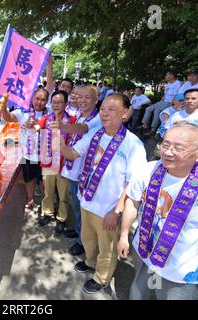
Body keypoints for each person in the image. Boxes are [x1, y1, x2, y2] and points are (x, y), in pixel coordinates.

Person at [118, 123, 198, 300]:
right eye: (165, 144)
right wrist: (123, 235)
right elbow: (132, 203)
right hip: (145, 250)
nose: (167, 152)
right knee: (140, 292)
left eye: (178, 148)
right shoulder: (147, 170)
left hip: (180, 270)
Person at [60, 93, 147, 293]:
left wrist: (116, 212)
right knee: (88, 239)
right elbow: (72, 153)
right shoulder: (95, 134)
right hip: (87, 199)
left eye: (112, 109)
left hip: (108, 208)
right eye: (103, 109)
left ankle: (102, 277)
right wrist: (56, 139)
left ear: (125, 114)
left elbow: (133, 185)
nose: (105, 113)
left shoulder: (133, 145)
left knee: (107, 246)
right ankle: (91, 262)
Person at [31, 90, 82, 236]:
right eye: (54, 102)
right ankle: (47, 212)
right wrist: (31, 126)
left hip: (65, 165)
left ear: (66, 104)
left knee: (63, 195)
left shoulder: (72, 121)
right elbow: (36, 128)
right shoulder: (46, 118)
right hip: (48, 163)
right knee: (48, 192)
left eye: (60, 102)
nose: (57, 105)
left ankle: (62, 218)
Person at [60, 85, 102, 256]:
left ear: (96, 100)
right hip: (73, 166)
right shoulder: (78, 114)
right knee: (76, 205)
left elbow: (82, 129)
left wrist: (61, 128)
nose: (82, 100)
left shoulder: (97, 118)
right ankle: (79, 233)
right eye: (80, 97)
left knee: (82, 207)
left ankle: (83, 242)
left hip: (85, 171)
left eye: (87, 98)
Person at [1, 87, 49, 212]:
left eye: (43, 100)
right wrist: (3, 108)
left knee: (44, 180)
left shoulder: (50, 113)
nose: (39, 102)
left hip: (45, 155)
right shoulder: (23, 112)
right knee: (29, 178)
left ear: (47, 101)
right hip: (28, 155)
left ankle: (46, 203)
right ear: (32, 98)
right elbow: (9, 117)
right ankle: (30, 199)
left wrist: (38, 124)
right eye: (37, 98)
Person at [141, 71, 182, 135]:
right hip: (163, 101)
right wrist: (161, 100)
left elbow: (176, 95)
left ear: (172, 76)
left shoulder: (178, 83)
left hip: (169, 102)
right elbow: (165, 94)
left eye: (167, 75)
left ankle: (153, 129)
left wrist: (172, 104)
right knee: (148, 109)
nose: (165, 77)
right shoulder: (168, 84)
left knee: (157, 110)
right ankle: (144, 126)